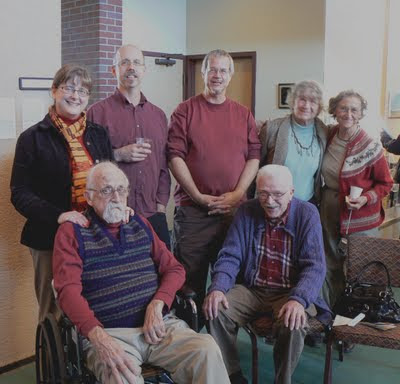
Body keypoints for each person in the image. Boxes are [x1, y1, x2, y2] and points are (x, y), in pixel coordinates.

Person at [53, 162, 230, 384]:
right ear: (89, 197)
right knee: (120, 376)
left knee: (206, 350)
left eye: (121, 190)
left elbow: (174, 269)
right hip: (110, 334)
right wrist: (98, 337)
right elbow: (67, 292)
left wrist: (158, 304)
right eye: (106, 190)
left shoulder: (139, 223)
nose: (116, 198)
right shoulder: (72, 232)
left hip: (159, 327)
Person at [203, 165, 331, 384]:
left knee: (294, 322)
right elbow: (230, 256)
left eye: (277, 194)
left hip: (290, 291)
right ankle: (233, 375)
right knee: (215, 309)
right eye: (263, 193)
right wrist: (217, 288)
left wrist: (298, 299)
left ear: (291, 193)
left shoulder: (307, 214)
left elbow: (315, 266)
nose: (270, 201)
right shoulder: (246, 211)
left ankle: (282, 380)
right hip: (253, 288)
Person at [10, 64, 114, 322]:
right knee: (53, 314)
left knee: (93, 307)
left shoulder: (99, 134)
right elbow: (19, 192)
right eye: (69, 88)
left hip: (95, 237)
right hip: (49, 239)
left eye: (83, 91)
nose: (76, 96)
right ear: (54, 90)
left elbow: (111, 183)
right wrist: (59, 216)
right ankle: (53, 363)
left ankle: (88, 362)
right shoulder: (32, 138)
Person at [168, 49, 261, 315]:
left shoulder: (243, 114)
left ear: (230, 76)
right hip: (194, 211)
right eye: (212, 69)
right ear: (203, 73)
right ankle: (191, 342)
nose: (217, 75)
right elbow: (174, 155)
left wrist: (238, 193)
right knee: (189, 282)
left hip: (234, 213)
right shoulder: (185, 111)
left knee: (230, 278)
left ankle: (222, 344)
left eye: (223, 70)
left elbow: (254, 156)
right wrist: (197, 195)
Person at [87, 44, 171, 249]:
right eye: (124, 62)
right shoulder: (96, 113)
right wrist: (117, 154)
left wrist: (160, 206)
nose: (130, 67)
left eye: (136, 62)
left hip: (152, 214)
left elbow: (162, 164)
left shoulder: (158, 115)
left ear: (144, 70)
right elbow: (87, 164)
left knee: (160, 274)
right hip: (111, 216)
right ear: (114, 70)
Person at [320, 90, 393, 309]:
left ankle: (355, 319)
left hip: (360, 215)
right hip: (329, 207)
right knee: (330, 263)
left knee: (358, 267)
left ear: (361, 114)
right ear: (334, 111)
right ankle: (333, 313)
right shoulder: (329, 135)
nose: (348, 113)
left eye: (354, 109)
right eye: (343, 108)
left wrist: (366, 198)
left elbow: (385, 183)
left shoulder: (371, 146)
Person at [259, 80, 327, 203]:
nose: (306, 106)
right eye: (302, 99)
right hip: (273, 203)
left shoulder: (324, 133)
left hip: (308, 203)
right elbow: (256, 168)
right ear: (292, 102)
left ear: (319, 107)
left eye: (313, 101)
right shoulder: (272, 129)